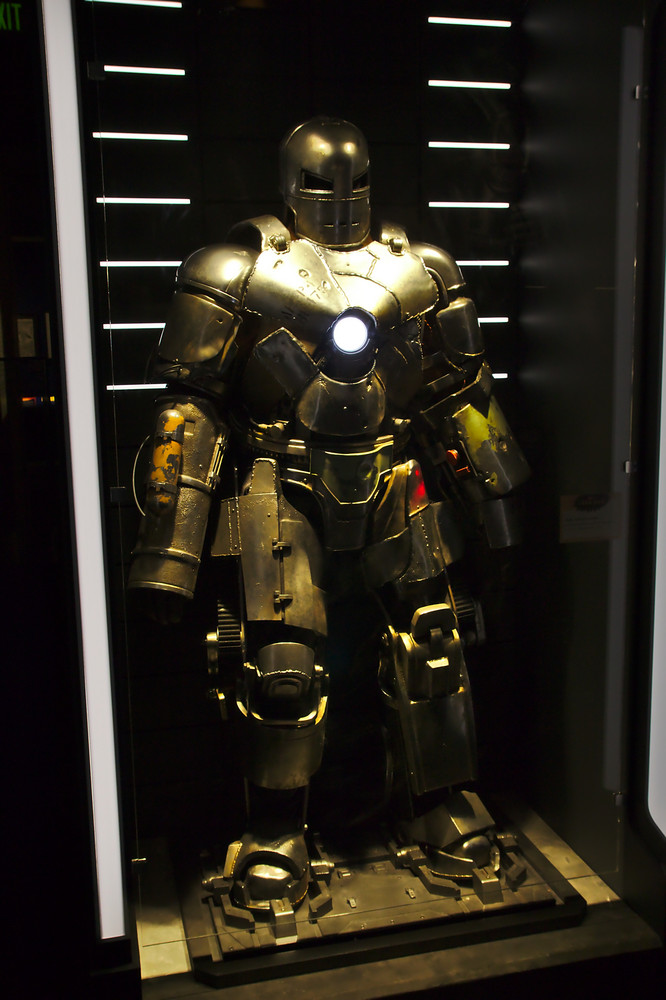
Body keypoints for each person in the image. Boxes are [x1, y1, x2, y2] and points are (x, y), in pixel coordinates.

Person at [129, 116, 529, 915]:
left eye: (354, 180)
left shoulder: (420, 269)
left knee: (433, 642)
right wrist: (168, 555)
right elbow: (191, 410)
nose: (339, 196)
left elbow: (460, 394)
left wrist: (500, 511)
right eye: (321, 182)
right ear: (290, 184)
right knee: (282, 666)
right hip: (282, 479)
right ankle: (278, 827)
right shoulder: (234, 271)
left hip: (396, 476)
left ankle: (440, 802)